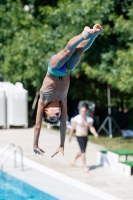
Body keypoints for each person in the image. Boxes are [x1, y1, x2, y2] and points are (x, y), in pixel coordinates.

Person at [33, 24, 103, 157]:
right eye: (57, 117)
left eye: (54, 116)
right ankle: (94, 34)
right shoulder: (62, 102)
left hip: (54, 68)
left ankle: (84, 34)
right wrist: (61, 144)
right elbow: (64, 125)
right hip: (66, 71)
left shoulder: (43, 101)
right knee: (78, 52)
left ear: (46, 111)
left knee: (67, 52)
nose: (58, 115)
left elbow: (37, 126)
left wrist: (35, 145)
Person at [68, 105, 98, 172]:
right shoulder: (76, 119)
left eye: (84, 111)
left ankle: (74, 159)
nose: (83, 112)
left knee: (82, 151)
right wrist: (70, 137)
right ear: (79, 111)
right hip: (79, 136)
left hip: (85, 137)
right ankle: (85, 166)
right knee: (83, 152)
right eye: (82, 111)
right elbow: (72, 128)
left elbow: (91, 127)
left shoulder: (88, 119)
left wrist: (95, 133)